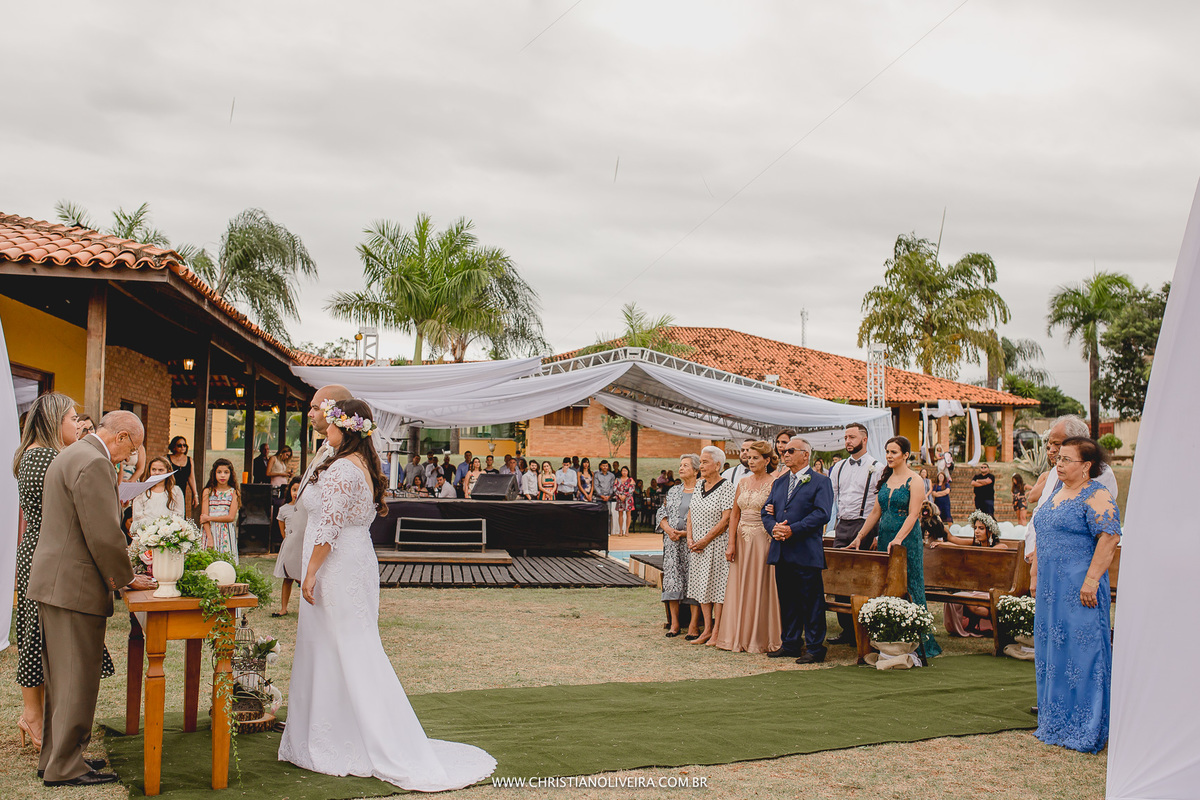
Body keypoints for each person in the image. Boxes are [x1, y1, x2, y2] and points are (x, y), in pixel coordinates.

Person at [279, 399, 496, 789]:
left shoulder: (344, 468)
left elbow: (328, 526)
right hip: (355, 560)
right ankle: (337, 728)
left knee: (341, 645)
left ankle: (346, 739)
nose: (325, 428)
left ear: (345, 428)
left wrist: (309, 573)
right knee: (345, 644)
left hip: (336, 565)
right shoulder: (361, 464)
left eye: (331, 423)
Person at [28, 410, 156, 785]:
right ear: (120, 437)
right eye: (131, 449)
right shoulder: (94, 461)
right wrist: (125, 579)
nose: (129, 457)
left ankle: (57, 757)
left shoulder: (70, 453)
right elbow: (103, 532)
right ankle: (65, 767)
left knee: (61, 679)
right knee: (76, 679)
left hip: (57, 582)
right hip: (75, 585)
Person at [14, 393, 116, 756]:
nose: (78, 424)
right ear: (55, 421)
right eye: (73, 419)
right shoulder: (44, 456)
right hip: (47, 554)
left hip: (38, 551)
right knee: (39, 639)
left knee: (39, 635)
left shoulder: (37, 454)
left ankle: (40, 717)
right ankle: (33, 716)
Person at [1031, 436, 1121, 753]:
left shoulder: (1097, 495)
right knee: (1053, 653)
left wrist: (1092, 579)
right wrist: (1034, 574)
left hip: (1080, 588)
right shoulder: (1057, 492)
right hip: (1050, 590)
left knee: (1083, 655)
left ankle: (1087, 725)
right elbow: (1043, 535)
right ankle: (1056, 722)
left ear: (1086, 466)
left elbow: (1109, 537)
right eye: (1059, 457)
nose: (1059, 462)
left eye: (1067, 459)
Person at [849, 436, 941, 660]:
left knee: (909, 584)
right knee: (886, 584)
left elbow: (913, 515)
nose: (889, 456)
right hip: (885, 537)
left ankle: (918, 640)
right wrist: (859, 536)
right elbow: (875, 513)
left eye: (894, 452)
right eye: (887, 451)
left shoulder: (915, 480)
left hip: (906, 539)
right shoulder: (887, 479)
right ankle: (889, 633)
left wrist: (898, 539)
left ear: (906, 455)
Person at [275, 384, 355, 617]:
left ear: (334, 413)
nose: (309, 414)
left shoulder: (342, 459)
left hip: (328, 555)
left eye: (314, 408)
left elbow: (333, 517)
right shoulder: (326, 448)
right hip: (309, 546)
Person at [760, 436, 833, 663]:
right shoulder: (780, 482)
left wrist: (793, 529)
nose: (785, 454)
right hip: (782, 550)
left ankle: (814, 648)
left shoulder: (820, 482)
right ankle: (790, 643)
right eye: (784, 451)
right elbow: (766, 511)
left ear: (805, 454)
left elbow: (822, 514)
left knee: (811, 602)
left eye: (791, 450)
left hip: (806, 551)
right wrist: (774, 529)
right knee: (788, 600)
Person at [714, 441, 782, 654]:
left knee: (760, 585)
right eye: (749, 458)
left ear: (767, 460)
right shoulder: (742, 482)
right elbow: (734, 514)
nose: (750, 461)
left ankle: (759, 637)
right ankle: (736, 635)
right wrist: (731, 543)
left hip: (763, 539)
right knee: (739, 585)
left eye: (755, 458)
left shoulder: (775, 483)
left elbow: (778, 512)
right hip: (741, 540)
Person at [826, 422, 882, 645]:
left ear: (864, 439)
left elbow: (879, 505)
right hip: (842, 525)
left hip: (865, 525)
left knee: (861, 578)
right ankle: (846, 629)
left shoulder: (877, 467)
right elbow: (834, 498)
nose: (847, 441)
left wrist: (876, 534)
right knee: (840, 576)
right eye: (846, 437)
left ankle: (863, 629)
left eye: (852, 437)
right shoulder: (838, 468)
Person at [684, 446, 736, 645]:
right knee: (701, 587)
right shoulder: (698, 485)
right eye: (701, 462)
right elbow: (691, 513)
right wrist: (690, 538)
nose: (701, 466)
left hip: (715, 545)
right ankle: (706, 630)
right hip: (697, 546)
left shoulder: (726, 486)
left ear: (718, 465)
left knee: (717, 589)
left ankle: (717, 631)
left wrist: (705, 540)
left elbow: (726, 519)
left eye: (705, 462)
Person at [933, 510, 1005, 637]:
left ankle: (990, 622)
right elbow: (953, 540)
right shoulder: (974, 544)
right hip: (975, 589)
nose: (977, 531)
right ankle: (966, 626)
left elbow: (999, 551)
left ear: (990, 531)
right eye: (975, 528)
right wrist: (942, 540)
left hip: (992, 590)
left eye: (981, 528)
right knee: (953, 600)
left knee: (973, 606)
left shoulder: (1000, 547)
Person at [656, 454, 700, 638]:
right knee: (672, 580)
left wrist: (685, 534)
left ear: (696, 470)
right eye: (680, 465)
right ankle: (674, 624)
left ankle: (693, 626)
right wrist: (667, 529)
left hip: (693, 543)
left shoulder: (702, 491)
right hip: (672, 544)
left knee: (694, 582)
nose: (681, 468)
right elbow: (662, 511)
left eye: (686, 465)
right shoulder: (674, 490)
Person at [272, 477, 303, 617]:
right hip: (289, 545)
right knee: (287, 577)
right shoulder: (284, 509)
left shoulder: (306, 509)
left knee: (303, 578)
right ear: (289, 490)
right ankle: (283, 608)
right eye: (294, 489)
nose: (296, 493)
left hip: (302, 546)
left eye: (299, 489)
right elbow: (283, 530)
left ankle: (307, 609)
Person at [201, 458, 241, 563]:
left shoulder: (234, 493)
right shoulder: (207, 492)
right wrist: (209, 538)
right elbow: (203, 517)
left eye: (226, 472)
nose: (222, 475)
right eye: (219, 472)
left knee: (226, 563)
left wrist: (210, 517)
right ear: (214, 473)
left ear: (230, 474)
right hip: (210, 530)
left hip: (226, 532)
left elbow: (230, 517)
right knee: (209, 562)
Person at [131, 456, 186, 527]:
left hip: (168, 532)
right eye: (154, 469)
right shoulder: (142, 491)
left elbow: (179, 514)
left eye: (161, 470)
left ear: (167, 471)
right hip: (146, 531)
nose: (157, 473)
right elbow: (137, 515)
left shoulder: (176, 491)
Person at [167, 436, 198, 515]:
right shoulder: (167, 458)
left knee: (180, 513)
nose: (182, 447)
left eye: (184, 445)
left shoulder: (189, 460)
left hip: (182, 491)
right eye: (179, 445)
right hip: (168, 490)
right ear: (174, 447)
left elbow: (191, 478)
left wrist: (195, 495)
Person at [595, 459, 617, 533]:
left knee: (608, 514)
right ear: (600, 466)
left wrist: (609, 495)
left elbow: (612, 486)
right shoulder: (597, 475)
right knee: (599, 514)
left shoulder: (611, 475)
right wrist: (601, 495)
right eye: (603, 466)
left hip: (608, 498)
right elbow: (596, 486)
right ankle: (598, 531)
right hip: (599, 498)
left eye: (606, 466)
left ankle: (607, 531)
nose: (605, 467)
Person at [614, 466, 636, 536]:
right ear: (621, 471)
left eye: (625, 471)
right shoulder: (617, 479)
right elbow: (614, 488)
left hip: (628, 499)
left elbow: (632, 489)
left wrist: (625, 495)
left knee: (628, 514)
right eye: (623, 470)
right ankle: (620, 530)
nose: (624, 472)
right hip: (619, 498)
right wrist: (619, 495)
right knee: (620, 514)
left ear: (628, 472)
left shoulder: (631, 480)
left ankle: (627, 530)